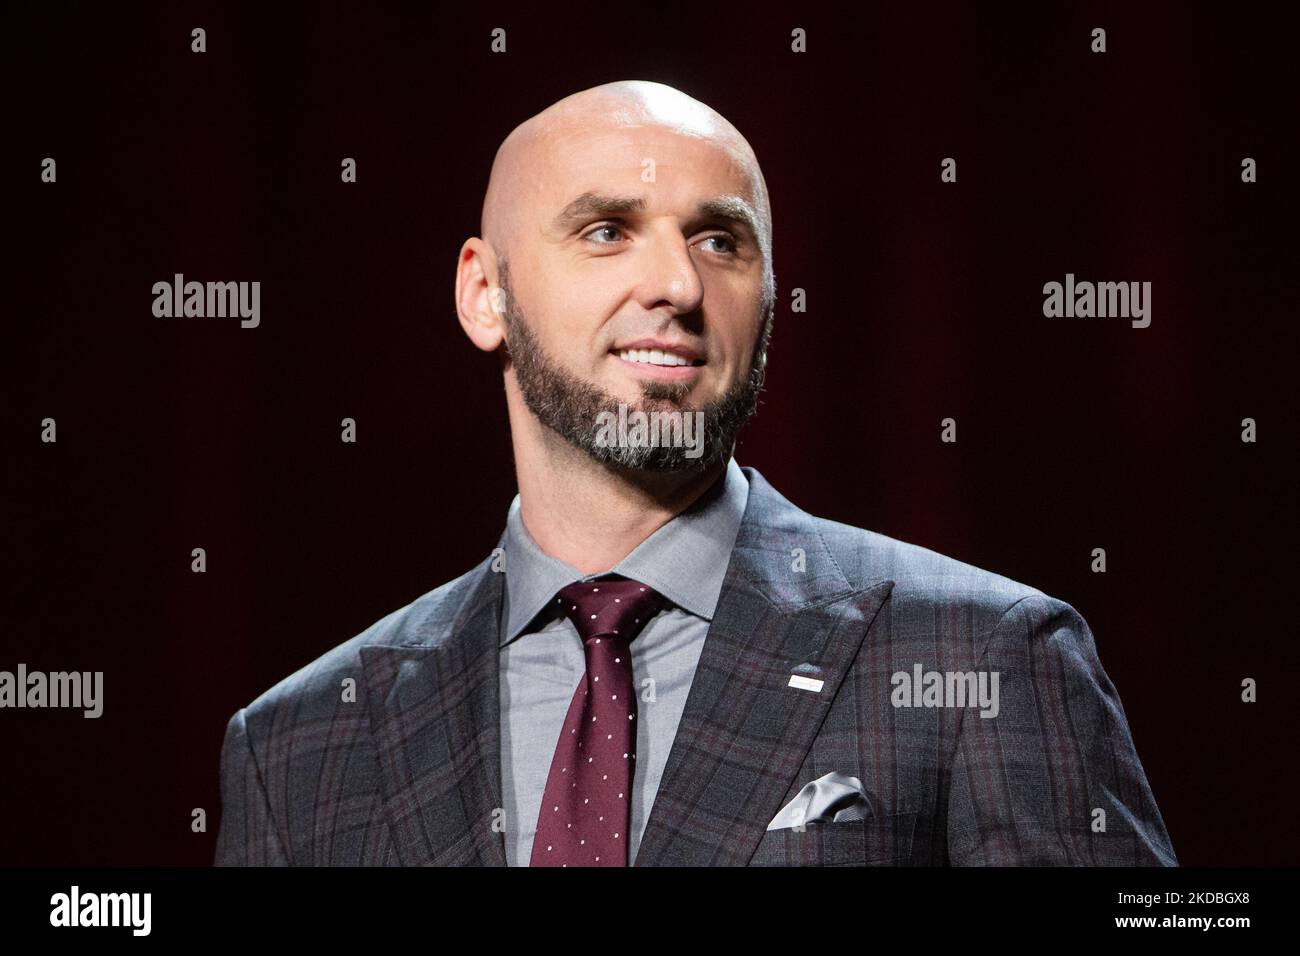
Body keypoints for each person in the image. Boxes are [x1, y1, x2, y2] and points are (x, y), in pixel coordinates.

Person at [215, 80, 1176, 867]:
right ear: (484, 293)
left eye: (719, 240)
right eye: (606, 231)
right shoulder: (298, 746)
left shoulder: (987, 658)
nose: (677, 285)